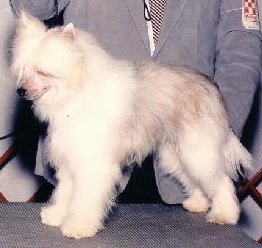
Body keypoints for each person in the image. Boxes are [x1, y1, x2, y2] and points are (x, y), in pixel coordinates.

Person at [9, 0, 262, 204]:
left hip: (185, 168)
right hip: (87, 158)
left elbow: (241, 46)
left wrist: (217, 126)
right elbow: (33, 8)